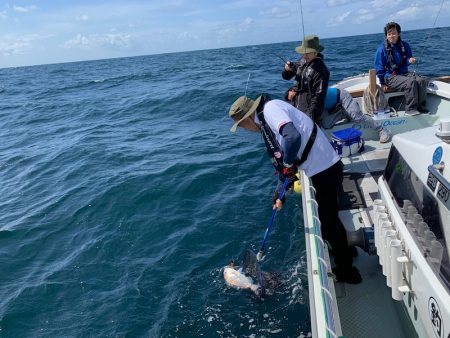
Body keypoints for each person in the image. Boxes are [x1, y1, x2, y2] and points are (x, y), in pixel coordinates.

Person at [228, 94, 362, 284]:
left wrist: (289, 163)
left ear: (248, 117)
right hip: (321, 168)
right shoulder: (266, 120)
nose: (244, 129)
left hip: (325, 169)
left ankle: (348, 272)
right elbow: (284, 163)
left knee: (327, 223)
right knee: (330, 217)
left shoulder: (271, 109)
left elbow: (292, 137)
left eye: (241, 125)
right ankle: (347, 250)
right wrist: (279, 195)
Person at [285, 86, 392, 143]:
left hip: (341, 95)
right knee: (326, 125)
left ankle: (381, 129)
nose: (293, 100)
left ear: (293, 90)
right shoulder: (303, 103)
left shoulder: (306, 92)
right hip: (328, 107)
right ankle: (344, 113)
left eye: (292, 96)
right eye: (291, 101)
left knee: (357, 117)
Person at [374, 22, 428, 116]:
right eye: (389, 34)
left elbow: (406, 59)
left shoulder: (405, 45)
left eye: (393, 33)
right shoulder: (381, 49)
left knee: (421, 81)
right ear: (386, 35)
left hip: (403, 73)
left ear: (398, 33)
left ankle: (421, 107)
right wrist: (382, 83)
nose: (391, 36)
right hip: (390, 76)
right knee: (410, 83)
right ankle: (410, 109)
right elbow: (379, 68)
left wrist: (409, 61)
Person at [282, 35, 329, 124]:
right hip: (296, 106)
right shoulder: (303, 61)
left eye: (308, 53)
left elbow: (317, 99)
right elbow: (286, 77)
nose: (304, 55)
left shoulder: (321, 71)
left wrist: (307, 120)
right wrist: (287, 69)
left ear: (315, 52)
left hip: (308, 113)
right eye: (303, 52)